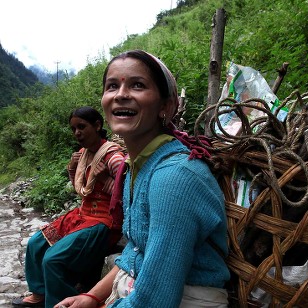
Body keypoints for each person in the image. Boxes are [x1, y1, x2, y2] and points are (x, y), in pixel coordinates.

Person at [54, 50, 230, 308]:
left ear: (166, 106)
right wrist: (91, 297)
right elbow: (137, 249)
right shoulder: (138, 165)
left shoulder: (175, 177)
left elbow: (155, 300)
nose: (121, 94)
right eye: (112, 86)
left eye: (137, 85)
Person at [12, 106, 126, 308]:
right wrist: (73, 169)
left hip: (103, 223)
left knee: (53, 259)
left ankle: (64, 303)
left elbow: (127, 195)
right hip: (82, 215)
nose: (77, 133)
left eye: (82, 127)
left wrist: (106, 178)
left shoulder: (113, 156)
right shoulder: (83, 154)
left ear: (97, 125)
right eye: (73, 129)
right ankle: (40, 293)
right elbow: (80, 190)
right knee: (36, 243)